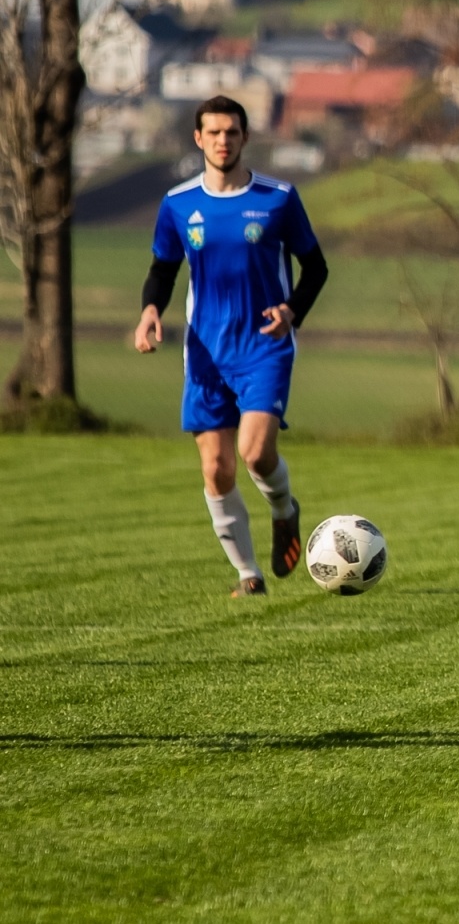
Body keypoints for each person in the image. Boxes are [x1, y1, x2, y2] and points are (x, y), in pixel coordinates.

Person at [134, 95, 329, 596]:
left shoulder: (278, 198)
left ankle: (284, 511)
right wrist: (150, 310)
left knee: (255, 452)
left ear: (245, 138)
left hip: (264, 346)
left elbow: (316, 267)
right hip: (206, 351)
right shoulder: (178, 204)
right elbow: (163, 268)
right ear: (199, 138)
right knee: (216, 468)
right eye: (214, 133)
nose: (223, 141)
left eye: (232, 132)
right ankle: (249, 575)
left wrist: (292, 312)